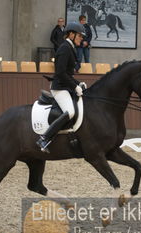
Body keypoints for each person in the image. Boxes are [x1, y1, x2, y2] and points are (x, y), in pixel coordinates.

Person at [36, 22, 87, 153]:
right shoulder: (65, 48)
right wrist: (75, 86)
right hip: (59, 87)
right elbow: (60, 73)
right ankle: (44, 138)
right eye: (80, 36)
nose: (82, 39)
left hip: (66, 86)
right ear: (71, 34)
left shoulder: (70, 47)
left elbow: (68, 74)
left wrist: (78, 83)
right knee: (70, 112)